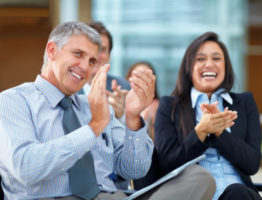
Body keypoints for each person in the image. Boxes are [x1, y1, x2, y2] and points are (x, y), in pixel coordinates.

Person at [0, 22, 215, 200]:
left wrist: (132, 118)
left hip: (113, 197)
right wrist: (92, 129)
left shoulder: (95, 106)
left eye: (92, 60)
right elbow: (26, 168)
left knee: (199, 177)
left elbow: (134, 170)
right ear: (52, 51)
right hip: (52, 198)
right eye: (78, 54)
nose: (85, 67)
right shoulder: (13, 101)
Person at [154, 32, 262, 200]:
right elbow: (168, 164)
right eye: (200, 59)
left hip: (239, 195)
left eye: (216, 58)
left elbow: (252, 164)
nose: (209, 64)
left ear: (226, 66)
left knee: (237, 192)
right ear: (189, 67)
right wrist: (201, 133)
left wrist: (220, 134)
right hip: (195, 194)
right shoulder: (169, 106)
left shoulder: (244, 103)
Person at [80, 21, 130, 122]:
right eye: (91, 48)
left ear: (109, 56)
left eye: (102, 49)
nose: (96, 56)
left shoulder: (124, 87)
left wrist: (121, 117)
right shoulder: (67, 88)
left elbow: (139, 134)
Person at [125, 61, 159, 140]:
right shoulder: (119, 104)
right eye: (137, 76)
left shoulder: (158, 107)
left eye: (146, 77)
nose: (141, 81)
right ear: (128, 79)